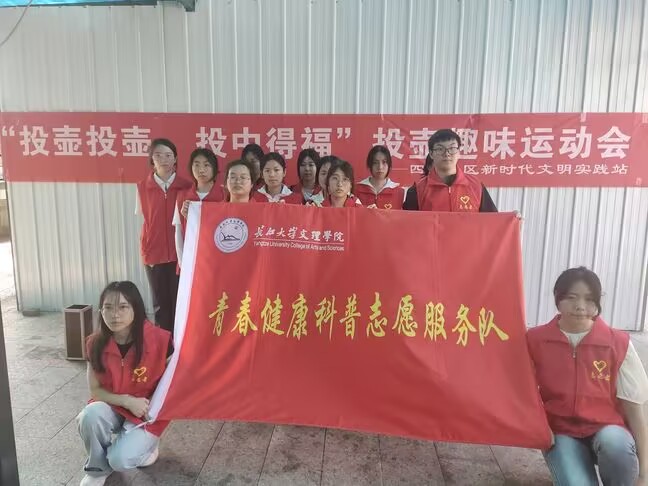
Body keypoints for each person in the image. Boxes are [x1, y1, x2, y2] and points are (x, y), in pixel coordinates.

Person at [527, 267, 648, 486]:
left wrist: (644, 475)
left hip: (607, 430)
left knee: (615, 444)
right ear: (557, 298)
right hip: (561, 433)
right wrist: (539, 426)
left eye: (589, 299)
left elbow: (634, 408)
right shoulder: (535, 340)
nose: (580, 306)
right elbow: (522, 392)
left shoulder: (618, 343)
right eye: (571, 297)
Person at [77, 281, 173, 486]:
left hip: (146, 413)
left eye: (122, 307)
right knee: (89, 416)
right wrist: (127, 401)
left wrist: (149, 407)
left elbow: (174, 382)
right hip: (114, 405)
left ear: (136, 309)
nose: (115, 315)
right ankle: (97, 469)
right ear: (101, 311)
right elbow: (95, 390)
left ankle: (147, 447)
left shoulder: (161, 340)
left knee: (119, 460)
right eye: (108, 307)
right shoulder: (94, 343)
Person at [136, 138, 191, 332]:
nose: (164, 160)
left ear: (175, 159)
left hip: (180, 253)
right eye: (158, 155)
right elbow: (145, 220)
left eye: (168, 155)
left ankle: (178, 344)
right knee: (159, 304)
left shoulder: (186, 187)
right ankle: (162, 345)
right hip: (153, 253)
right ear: (152, 158)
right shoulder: (142, 187)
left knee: (179, 302)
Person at [403, 129, 497, 212]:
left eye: (452, 148)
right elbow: (408, 223)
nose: (447, 153)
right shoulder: (417, 190)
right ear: (431, 154)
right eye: (440, 149)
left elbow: (492, 221)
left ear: (459, 152)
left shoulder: (476, 186)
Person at [172, 148, 224, 267]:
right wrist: (182, 263)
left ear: (214, 168)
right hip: (191, 260)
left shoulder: (225, 195)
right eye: (196, 165)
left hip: (218, 260)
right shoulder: (182, 196)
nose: (201, 170)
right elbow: (178, 232)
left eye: (206, 165)